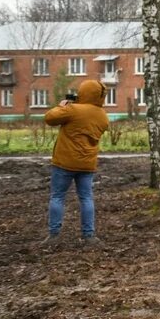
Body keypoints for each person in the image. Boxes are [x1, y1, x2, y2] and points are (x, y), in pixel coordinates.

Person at [43, 80, 110, 246]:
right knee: (86, 198)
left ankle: (54, 235)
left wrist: (62, 106)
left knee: (57, 197)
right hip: (87, 164)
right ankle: (89, 235)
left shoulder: (72, 110)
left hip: (64, 162)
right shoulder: (102, 115)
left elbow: (49, 118)